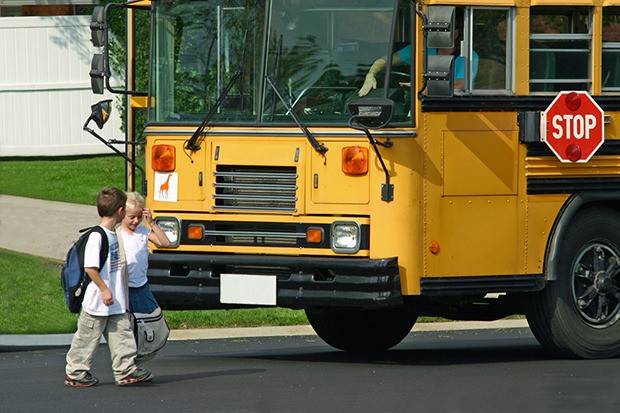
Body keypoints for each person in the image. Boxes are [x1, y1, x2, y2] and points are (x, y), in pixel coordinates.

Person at [65, 186, 152, 387]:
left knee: (123, 336)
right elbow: (90, 268)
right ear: (120, 211)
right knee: (87, 338)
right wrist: (105, 289)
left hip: (115, 300)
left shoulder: (112, 234)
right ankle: (76, 372)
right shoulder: (98, 236)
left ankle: (126, 370)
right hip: (97, 301)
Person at [118, 192, 170, 314]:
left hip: (142, 286)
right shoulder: (118, 234)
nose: (136, 221)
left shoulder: (143, 231)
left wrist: (152, 223)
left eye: (140, 217)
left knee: (152, 318)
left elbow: (165, 243)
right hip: (125, 287)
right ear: (122, 214)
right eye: (132, 217)